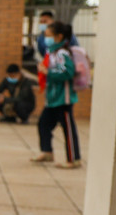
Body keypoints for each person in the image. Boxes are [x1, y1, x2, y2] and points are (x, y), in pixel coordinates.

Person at [31, 22, 82, 168]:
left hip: (63, 99)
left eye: (48, 36)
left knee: (68, 129)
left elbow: (66, 73)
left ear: (59, 37)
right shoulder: (52, 53)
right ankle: (47, 152)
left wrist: (48, 72)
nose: (45, 39)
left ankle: (74, 159)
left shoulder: (62, 54)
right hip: (53, 99)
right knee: (43, 124)